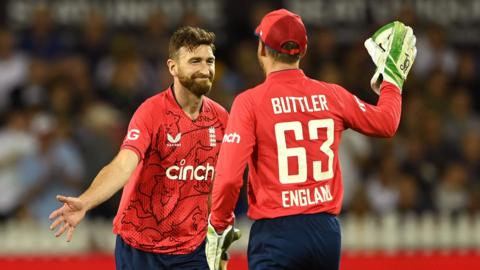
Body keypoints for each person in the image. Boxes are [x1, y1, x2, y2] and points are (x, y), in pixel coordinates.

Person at [206, 9, 416, 270]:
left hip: (276, 233)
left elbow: (227, 179)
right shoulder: (331, 95)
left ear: (261, 49)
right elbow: (387, 122)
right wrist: (392, 80)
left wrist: (219, 225)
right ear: (302, 51)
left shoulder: (249, 103)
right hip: (325, 233)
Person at [49, 26, 229, 270]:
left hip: (192, 249)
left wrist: (219, 230)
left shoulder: (221, 119)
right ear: (172, 67)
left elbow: (215, 182)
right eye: (194, 61)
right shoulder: (152, 112)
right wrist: (86, 201)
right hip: (140, 247)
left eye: (210, 61)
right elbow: (123, 164)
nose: (205, 69)